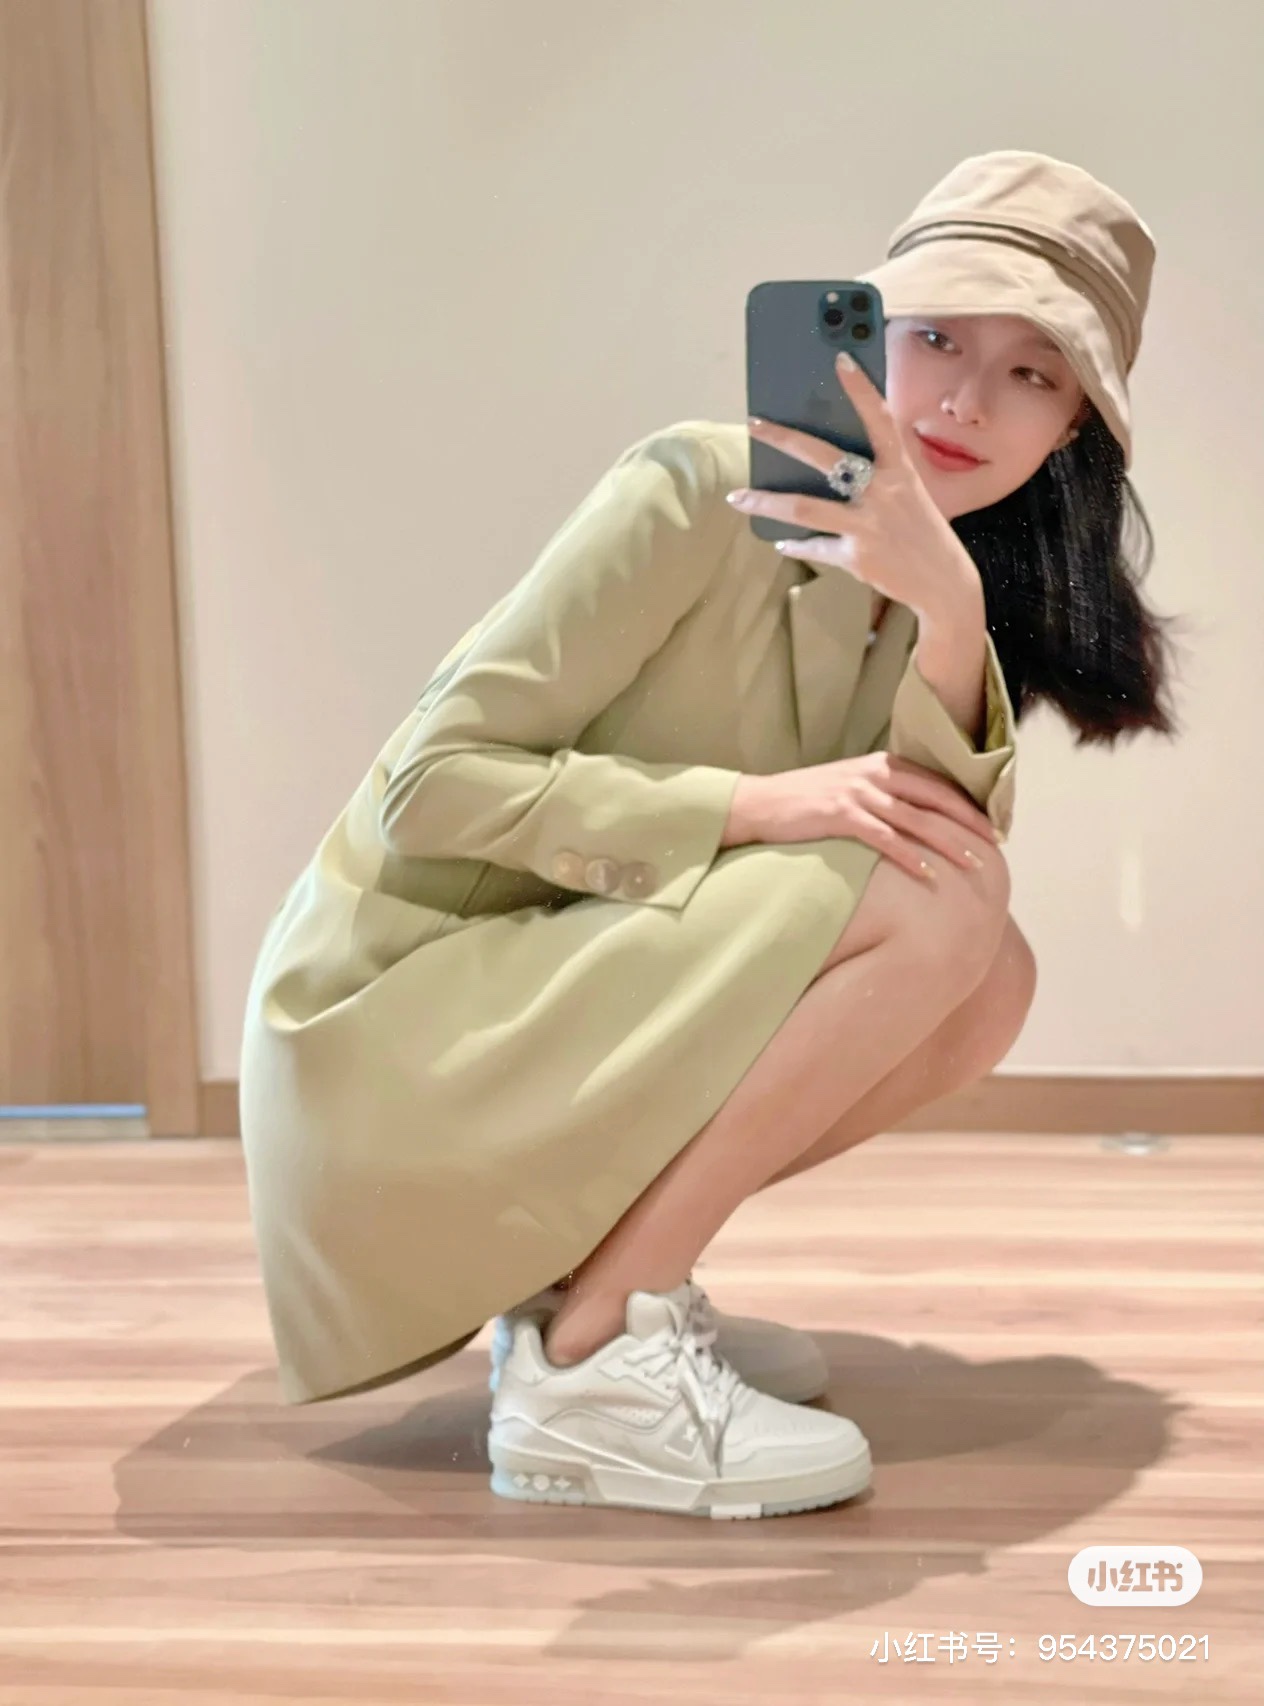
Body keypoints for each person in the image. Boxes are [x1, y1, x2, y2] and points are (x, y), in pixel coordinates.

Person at [238, 150, 1179, 1520]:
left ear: (1073, 427)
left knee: (990, 971)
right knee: (945, 906)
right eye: (936, 338)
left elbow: (942, 868)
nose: (967, 400)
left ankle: (611, 1283)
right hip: (389, 1039)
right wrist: (750, 807)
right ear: (864, 329)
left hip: (536, 1021)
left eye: (1033, 373)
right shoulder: (695, 489)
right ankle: (594, 1365)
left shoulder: (936, 580)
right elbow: (429, 786)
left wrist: (950, 610)